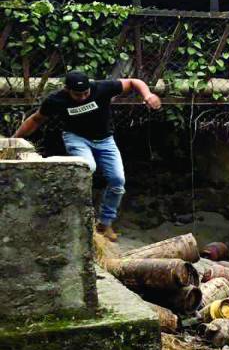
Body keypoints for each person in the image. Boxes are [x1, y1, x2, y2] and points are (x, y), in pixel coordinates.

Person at [11, 71, 161, 241]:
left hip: (105, 140)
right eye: (77, 94)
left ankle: (104, 224)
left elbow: (134, 82)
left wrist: (148, 95)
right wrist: (14, 140)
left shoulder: (102, 88)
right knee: (88, 167)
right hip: (76, 139)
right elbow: (36, 119)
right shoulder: (56, 100)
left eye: (85, 93)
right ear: (67, 90)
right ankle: (78, 216)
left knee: (118, 181)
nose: (82, 97)